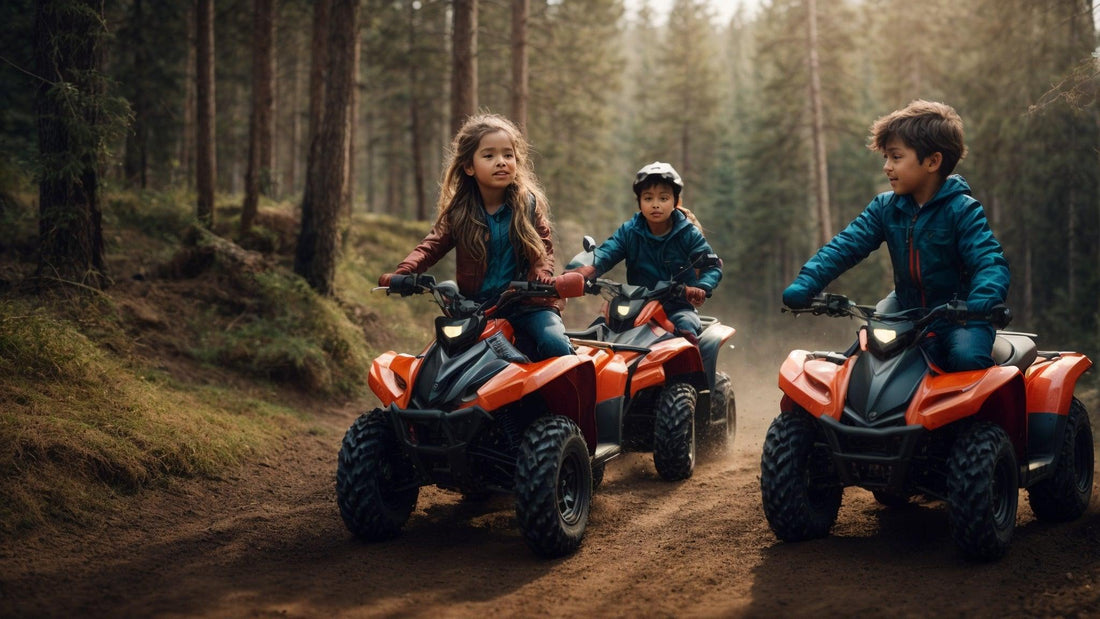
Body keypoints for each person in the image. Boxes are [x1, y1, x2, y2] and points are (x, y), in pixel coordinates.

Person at [782, 99, 1010, 371]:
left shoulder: (962, 210)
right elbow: (845, 246)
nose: (887, 166)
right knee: (863, 358)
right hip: (904, 308)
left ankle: (986, 416)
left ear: (933, 161)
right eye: (886, 158)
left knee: (967, 360)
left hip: (961, 316)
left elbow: (989, 261)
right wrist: (807, 282)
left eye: (896, 157)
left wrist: (981, 302)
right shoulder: (885, 207)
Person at [378, 113, 573, 360]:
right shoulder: (460, 212)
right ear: (469, 166)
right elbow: (431, 245)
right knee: (440, 362)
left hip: (526, 305)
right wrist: (404, 272)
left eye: (508, 155)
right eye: (489, 155)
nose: (501, 162)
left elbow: (543, 251)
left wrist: (541, 276)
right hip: (476, 308)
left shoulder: (528, 206)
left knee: (555, 345)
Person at [569, 161, 722, 341]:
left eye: (663, 198)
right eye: (648, 198)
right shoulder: (629, 231)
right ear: (639, 202)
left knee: (686, 330)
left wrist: (699, 288)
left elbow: (712, 266)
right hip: (635, 305)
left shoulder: (688, 234)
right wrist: (582, 271)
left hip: (676, 308)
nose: (655, 204)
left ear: (676, 201)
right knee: (594, 334)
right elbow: (606, 253)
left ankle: (694, 370)